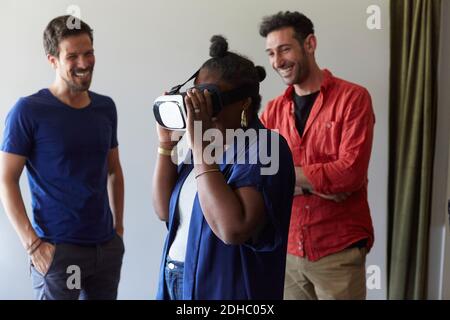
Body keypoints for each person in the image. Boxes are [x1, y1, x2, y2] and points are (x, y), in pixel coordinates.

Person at [153, 35, 295, 300]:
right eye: (196, 98)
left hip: (226, 291)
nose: (203, 109)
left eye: (212, 99)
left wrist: (200, 149)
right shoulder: (206, 143)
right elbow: (163, 210)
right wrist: (166, 143)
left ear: (245, 103)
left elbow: (234, 228)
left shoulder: (266, 147)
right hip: (176, 279)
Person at [0, 15, 125, 300]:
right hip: (59, 252)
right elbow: (5, 179)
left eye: (89, 53)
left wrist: (118, 231)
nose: (84, 63)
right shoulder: (28, 111)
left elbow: (114, 170)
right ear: (53, 60)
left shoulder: (105, 108)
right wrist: (33, 246)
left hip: (106, 249)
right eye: (73, 56)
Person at [259, 11, 375, 300]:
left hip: (339, 251)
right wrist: (321, 186)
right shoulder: (272, 111)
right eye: (271, 53)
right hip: (288, 252)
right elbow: (258, 172)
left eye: (285, 49)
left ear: (310, 44)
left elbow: (349, 174)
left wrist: (286, 178)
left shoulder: (354, 98)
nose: (277, 61)